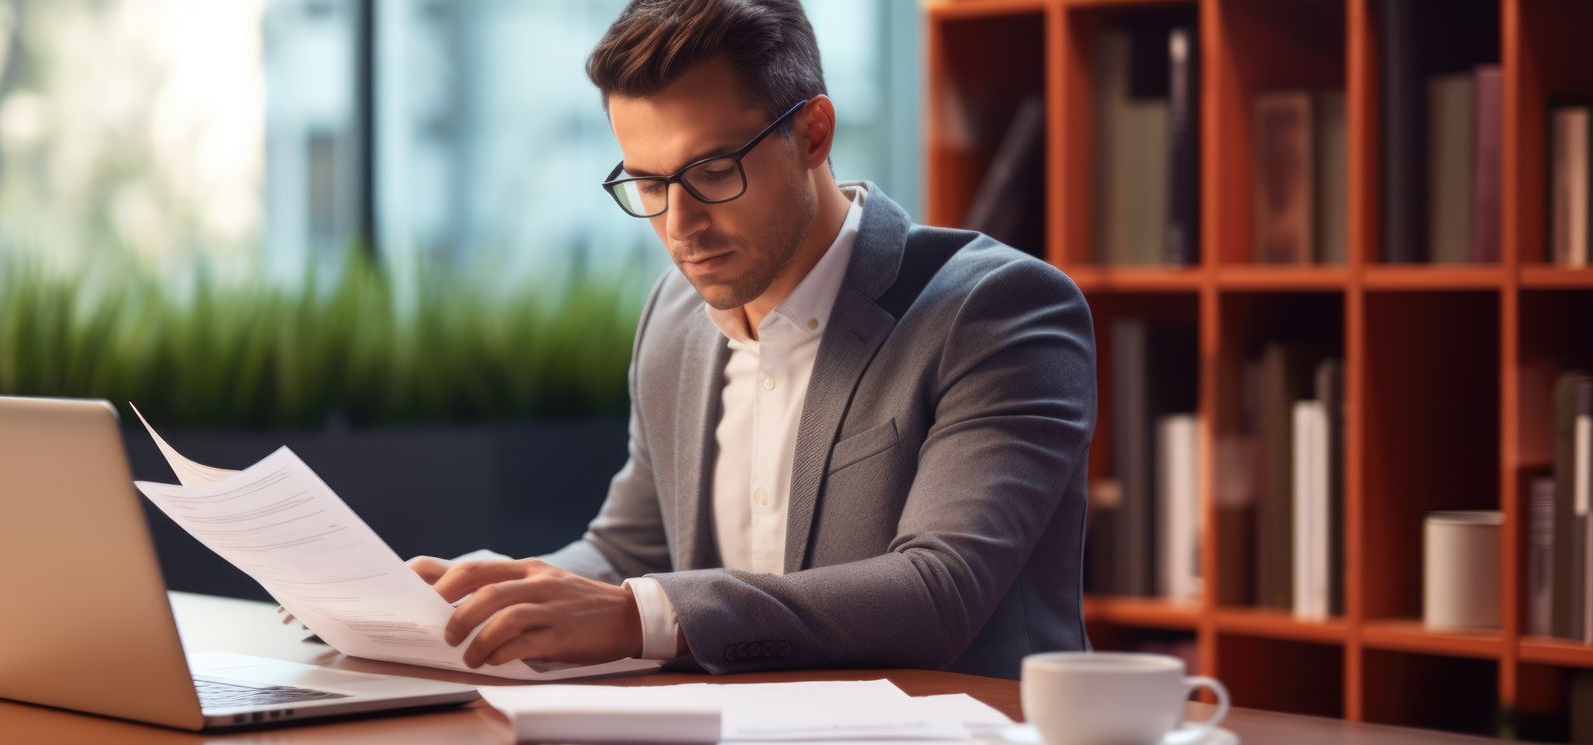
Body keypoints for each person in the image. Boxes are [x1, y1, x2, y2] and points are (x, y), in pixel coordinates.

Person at [380, 0, 1094, 680]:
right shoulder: (675, 314)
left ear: (813, 133)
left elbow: (937, 589)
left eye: (713, 171)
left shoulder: (997, 311)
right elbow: (633, 548)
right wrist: (486, 601)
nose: (680, 225)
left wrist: (637, 614)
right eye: (648, 183)